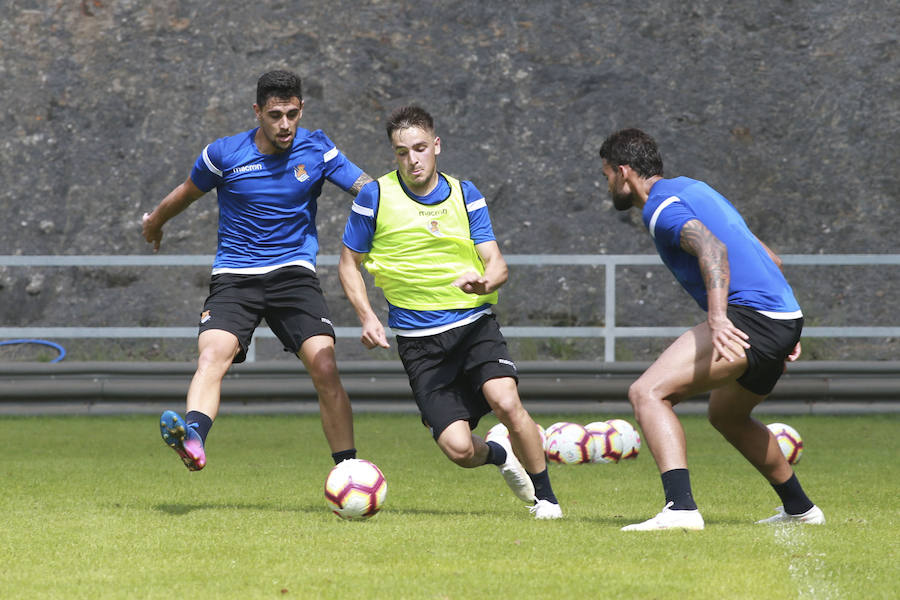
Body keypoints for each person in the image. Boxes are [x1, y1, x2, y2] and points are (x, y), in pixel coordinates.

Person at [142, 70, 373, 471]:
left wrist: (413, 201)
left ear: (302, 110)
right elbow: (186, 193)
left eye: (292, 114)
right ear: (257, 112)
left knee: (325, 365)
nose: (284, 124)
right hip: (235, 276)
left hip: (293, 275)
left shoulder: (318, 149)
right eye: (275, 115)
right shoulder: (224, 154)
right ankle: (193, 439)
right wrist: (155, 222)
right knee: (213, 355)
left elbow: (370, 190)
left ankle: (348, 470)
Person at [338, 105, 562, 519]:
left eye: (420, 148)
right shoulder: (375, 197)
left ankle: (546, 499)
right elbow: (348, 263)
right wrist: (367, 316)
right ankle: (498, 454)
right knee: (459, 449)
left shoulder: (465, 193)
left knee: (506, 401)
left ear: (436, 146)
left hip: (473, 325)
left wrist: (487, 282)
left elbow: (497, 263)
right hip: (420, 346)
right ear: (394, 154)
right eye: (402, 152)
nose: (413, 159)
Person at [598, 128, 824, 530]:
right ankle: (801, 509)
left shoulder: (662, 209)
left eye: (606, 176)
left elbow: (713, 249)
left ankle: (681, 509)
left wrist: (719, 319)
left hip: (750, 317)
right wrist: (786, 325)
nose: (608, 185)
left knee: (647, 393)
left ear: (624, 171)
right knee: (728, 416)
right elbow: (770, 258)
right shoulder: (695, 189)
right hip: (780, 317)